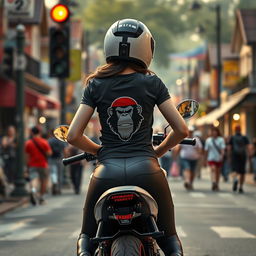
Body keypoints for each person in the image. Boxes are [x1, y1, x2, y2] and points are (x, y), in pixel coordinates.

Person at [67, 19, 188, 256]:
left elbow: (72, 135)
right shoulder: (152, 83)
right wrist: (158, 151)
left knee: (87, 238)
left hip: (106, 171)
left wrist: (99, 151)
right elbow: (182, 130)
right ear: (146, 48)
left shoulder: (95, 84)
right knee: (170, 238)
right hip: (147, 168)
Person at [25, 126, 52, 205]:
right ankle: (41, 198)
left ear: (32, 133)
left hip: (32, 164)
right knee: (44, 181)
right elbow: (49, 153)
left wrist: (27, 167)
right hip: (43, 164)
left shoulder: (28, 143)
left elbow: (26, 156)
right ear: (39, 133)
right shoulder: (44, 142)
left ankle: (33, 190)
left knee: (34, 179)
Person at [177, 126, 203, 190]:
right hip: (185, 157)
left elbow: (200, 148)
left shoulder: (196, 139)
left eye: (191, 132)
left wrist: (199, 154)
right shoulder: (183, 139)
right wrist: (176, 156)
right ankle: (187, 181)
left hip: (194, 158)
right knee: (187, 169)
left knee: (192, 171)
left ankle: (190, 183)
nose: (190, 133)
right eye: (189, 131)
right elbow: (179, 148)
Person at [228, 125, 250, 193]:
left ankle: (235, 179)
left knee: (235, 170)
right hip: (243, 156)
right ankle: (240, 187)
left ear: (235, 130)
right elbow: (248, 147)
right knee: (242, 172)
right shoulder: (244, 137)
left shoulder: (232, 137)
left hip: (234, 156)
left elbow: (229, 148)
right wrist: (249, 156)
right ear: (240, 130)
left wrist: (229, 156)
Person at [204, 126, 225, 191]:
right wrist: (205, 159)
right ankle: (213, 182)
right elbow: (206, 150)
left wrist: (222, 155)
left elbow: (222, 149)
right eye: (213, 131)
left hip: (218, 158)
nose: (214, 133)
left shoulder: (221, 139)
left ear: (217, 132)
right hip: (211, 158)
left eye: (215, 131)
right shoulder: (208, 140)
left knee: (218, 172)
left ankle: (217, 184)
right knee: (213, 169)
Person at [48, 130, 66, 195]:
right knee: (59, 174)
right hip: (59, 159)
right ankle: (59, 189)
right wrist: (65, 157)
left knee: (53, 173)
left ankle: (54, 182)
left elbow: (47, 150)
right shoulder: (60, 140)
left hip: (51, 159)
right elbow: (64, 150)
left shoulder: (49, 141)